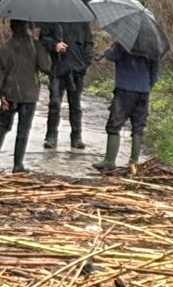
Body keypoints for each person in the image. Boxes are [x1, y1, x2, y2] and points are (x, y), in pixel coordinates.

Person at [0, 19, 51, 173]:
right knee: (23, 130)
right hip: (29, 95)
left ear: (11, 28)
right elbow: (46, 67)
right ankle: (18, 165)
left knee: (2, 126)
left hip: (9, 94)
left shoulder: (5, 47)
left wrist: (1, 94)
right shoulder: (35, 46)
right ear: (27, 27)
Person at [93, 40, 160, 173]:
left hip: (124, 89)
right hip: (143, 91)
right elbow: (155, 73)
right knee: (138, 127)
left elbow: (112, 56)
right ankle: (133, 162)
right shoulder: (153, 46)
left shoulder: (124, 42)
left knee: (114, 125)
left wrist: (110, 49)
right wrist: (146, 86)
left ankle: (110, 161)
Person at [40, 19, 93, 150]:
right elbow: (43, 40)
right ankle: (51, 136)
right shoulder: (51, 19)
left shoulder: (82, 22)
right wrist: (55, 45)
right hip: (57, 70)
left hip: (77, 71)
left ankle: (77, 137)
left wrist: (85, 64)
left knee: (75, 105)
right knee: (54, 104)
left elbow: (89, 44)